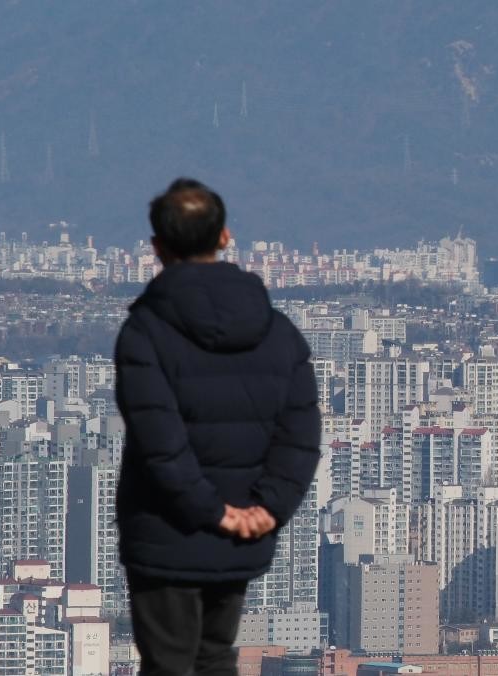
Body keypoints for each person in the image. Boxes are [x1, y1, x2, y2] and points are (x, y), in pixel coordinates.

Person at [115, 178, 321, 675]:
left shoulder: (146, 331)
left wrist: (212, 511)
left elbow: (158, 440)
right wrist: (267, 509)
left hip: (167, 531)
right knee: (215, 659)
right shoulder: (277, 330)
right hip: (242, 537)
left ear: (157, 247)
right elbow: (301, 434)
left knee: (166, 663)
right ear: (225, 236)